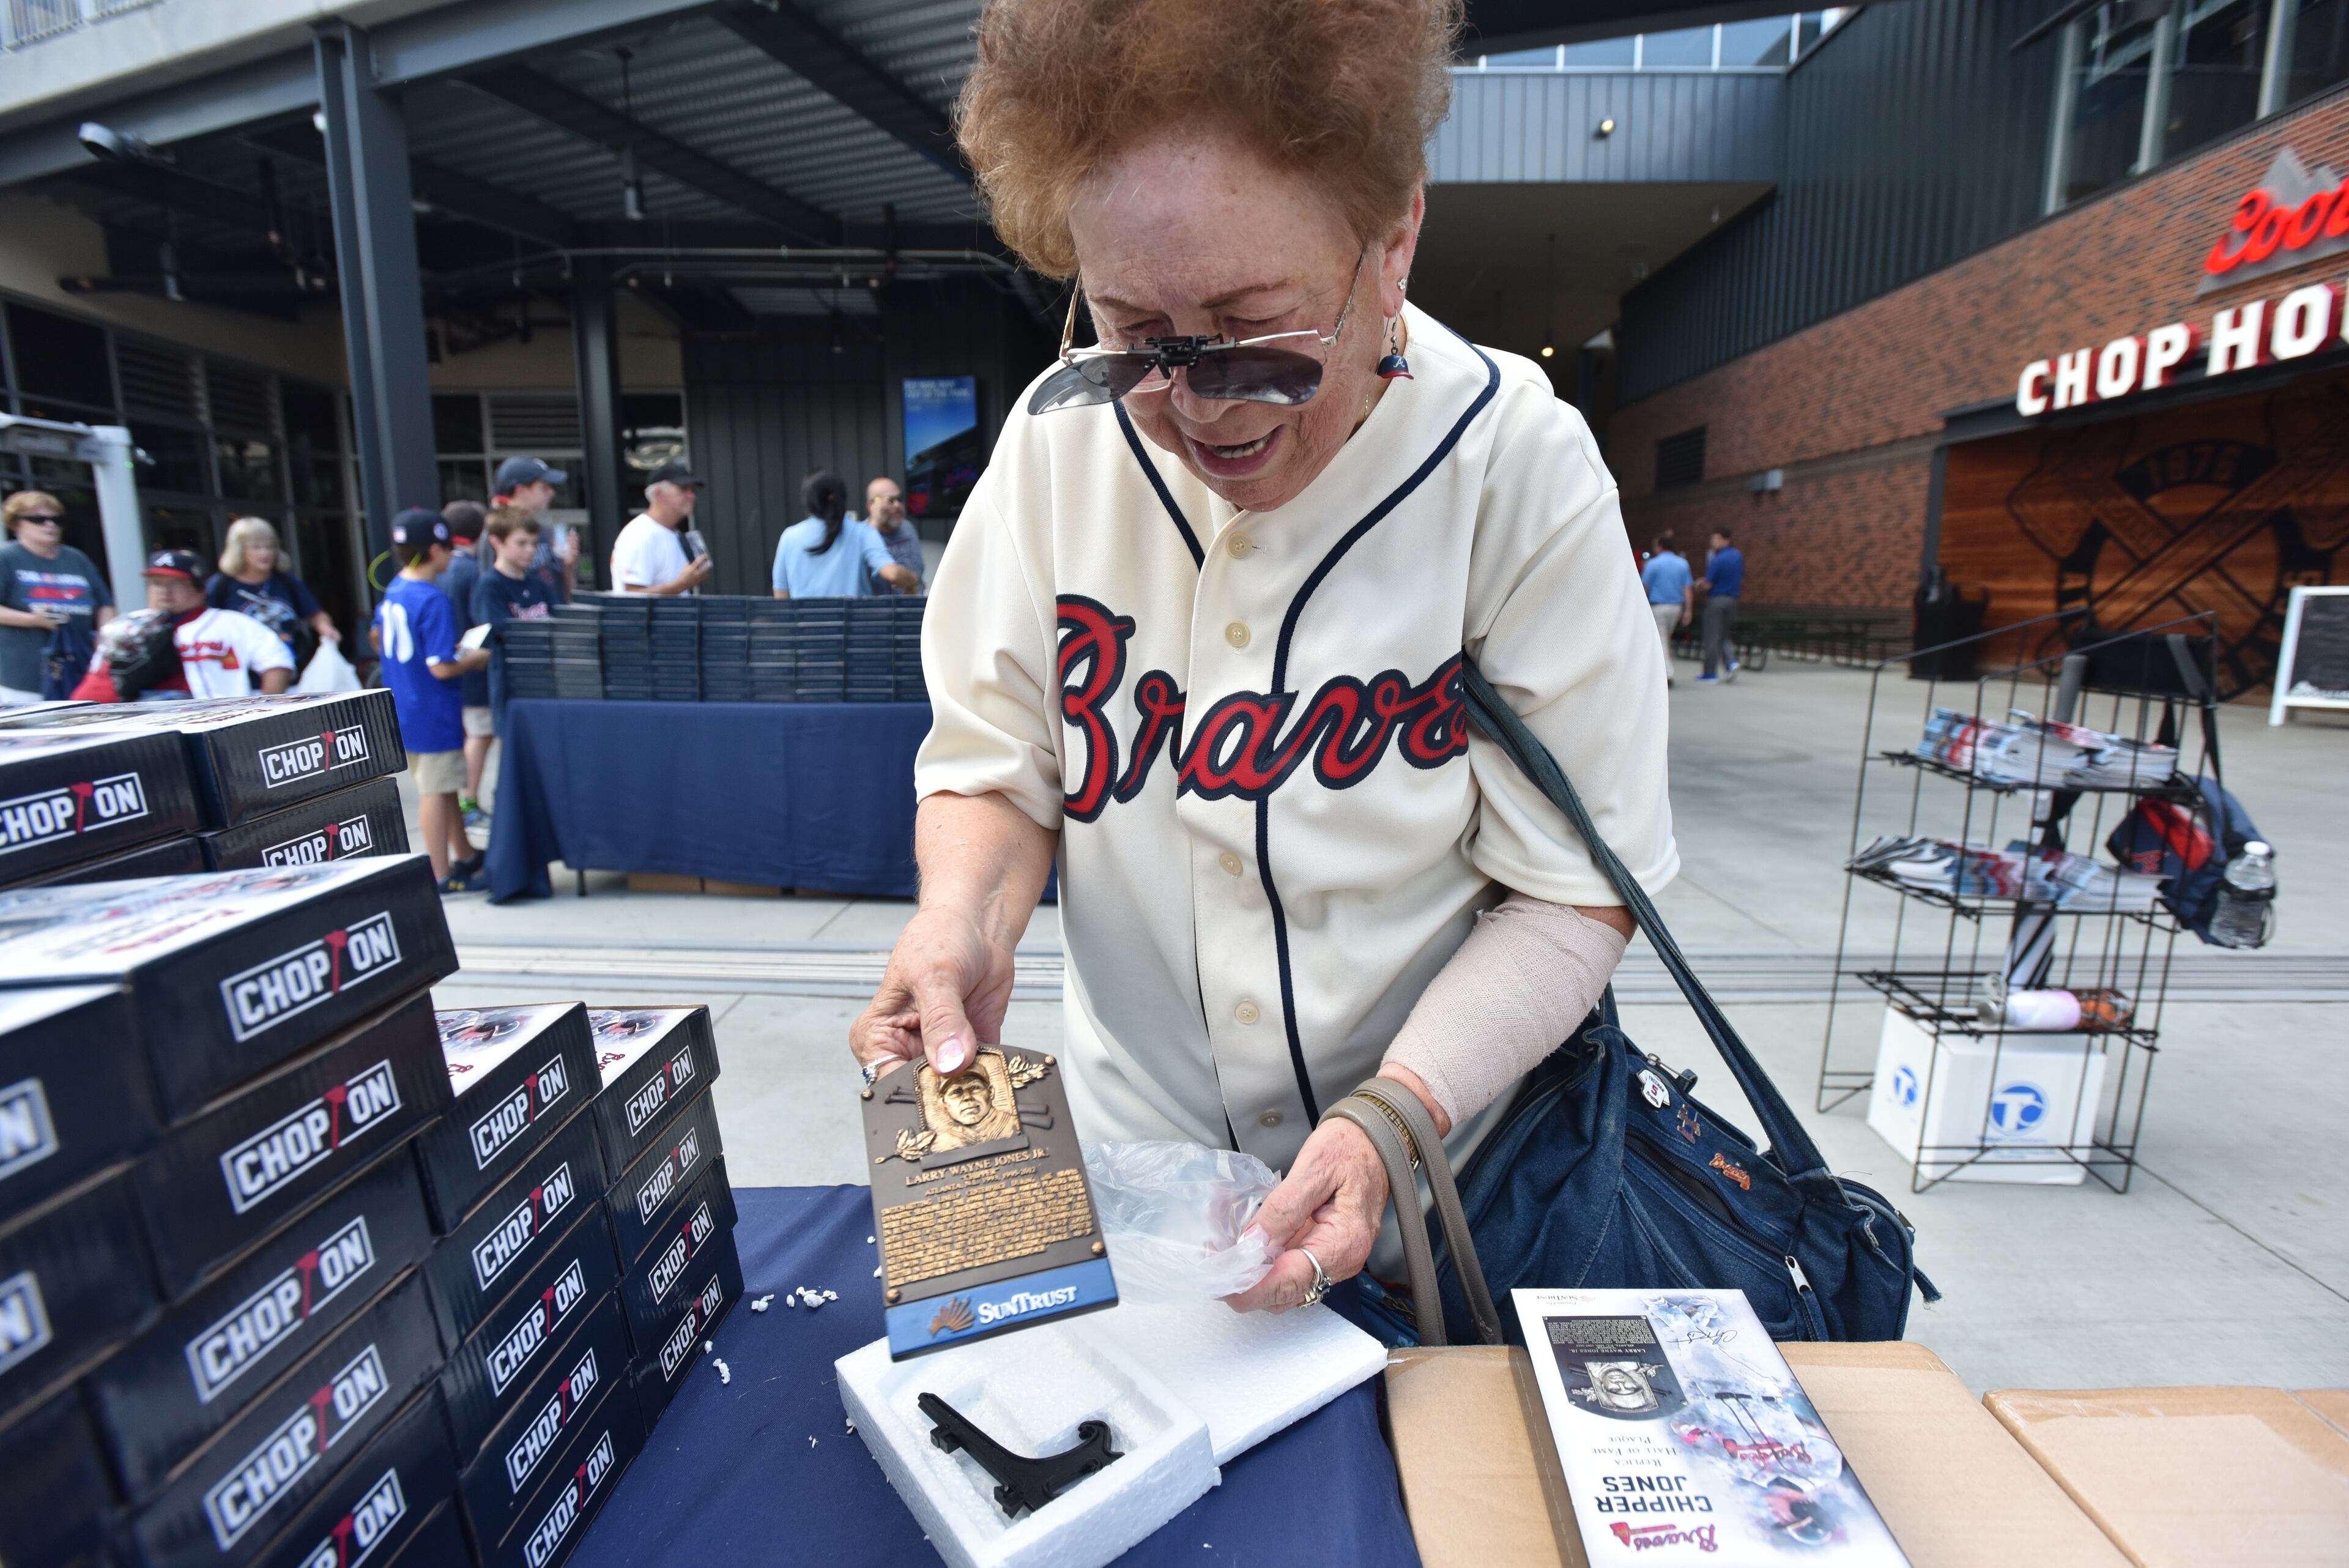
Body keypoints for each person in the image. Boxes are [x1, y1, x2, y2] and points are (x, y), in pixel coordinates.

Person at [849, 0, 1672, 1320]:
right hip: (1142, 1192)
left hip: (1441, 1191)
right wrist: (963, 921)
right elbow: (999, 769)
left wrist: (1399, 1111)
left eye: (1250, 329)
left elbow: (1573, 892)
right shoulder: (1059, 444)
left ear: (1393, 235)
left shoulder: (1513, 458)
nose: (1200, 400)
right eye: (1137, 334)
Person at [373, 508, 491, 893]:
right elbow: (441, 668)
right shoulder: (432, 598)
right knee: (436, 793)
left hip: (406, 705)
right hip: (434, 707)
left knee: (445, 784)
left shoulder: (395, 589)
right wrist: (475, 658)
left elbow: (378, 638)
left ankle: (466, 853)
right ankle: (441, 875)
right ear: (437, 551)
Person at [75, 549, 292, 700]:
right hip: (151, 723)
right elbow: (97, 684)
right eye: (157, 584)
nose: (164, 591)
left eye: (176, 583)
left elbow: (277, 661)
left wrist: (264, 712)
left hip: (222, 719)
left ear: (200, 589)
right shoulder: (126, 627)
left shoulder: (231, 623)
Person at [0, 490, 113, 704]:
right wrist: (32, 620)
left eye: (56, 520)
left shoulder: (76, 558)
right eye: (38, 519)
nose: (49, 525)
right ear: (16, 524)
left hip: (80, 669)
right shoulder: (6, 557)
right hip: (23, 676)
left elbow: (104, 604)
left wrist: (105, 636)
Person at [206, 517, 339, 666]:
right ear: (239, 550)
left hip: (294, 667)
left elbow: (314, 613)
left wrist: (325, 628)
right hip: (246, 675)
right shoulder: (221, 585)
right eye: (256, 547)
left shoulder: (286, 581)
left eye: (270, 547)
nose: (265, 553)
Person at [472, 503, 557, 732]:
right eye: (521, 543)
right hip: (513, 688)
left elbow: (562, 624)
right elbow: (501, 631)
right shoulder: (490, 585)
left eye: (533, 543)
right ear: (496, 542)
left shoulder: (541, 585)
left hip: (548, 684)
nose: (529, 550)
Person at [771, 470, 919, 599]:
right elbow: (892, 574)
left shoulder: (789, 537)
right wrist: (912, 581)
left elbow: (781, 595)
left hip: (805, 629)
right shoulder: (863, 532)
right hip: (855, 629)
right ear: (843, 497)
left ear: (808, 501)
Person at [439, 501, 492, 831]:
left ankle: (465, 803)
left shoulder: (440, 568)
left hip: (449, 669)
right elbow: (480, 624)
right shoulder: (470, 571)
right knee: (480, 734)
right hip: (471, 668)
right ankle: (468, 803)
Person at [611, 461, 713, 596]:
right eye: (683, 489)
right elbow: (631, 597)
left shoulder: (671, 533)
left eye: (692, 490)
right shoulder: (639, 534)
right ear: (659, 493)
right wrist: (682, 584)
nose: (692, 496)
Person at [492, 457, 580, 601]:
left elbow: (566, 596)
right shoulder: (498, 533)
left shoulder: (545, 531)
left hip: (554, 619)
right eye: (544, 487)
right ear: (521, 490)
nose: (551, 493)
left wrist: (568, 567)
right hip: (524, 621)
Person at [1639, 530, 1693, 688]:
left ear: (1660, 547)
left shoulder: (1653, 564)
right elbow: (1687, 588)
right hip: (1677, 606)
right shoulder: (1683, 564)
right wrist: (1688, 610)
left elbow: (1644, 587)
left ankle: (1667, 673)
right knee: (1665, 638)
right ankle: (1664, 669)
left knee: (1661, 639)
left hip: (1659, 606)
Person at [1698, 527, 1745, 685]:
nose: (1713, 542)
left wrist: (1699, 585)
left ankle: (1710, 673)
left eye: (1716, 539)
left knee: (1712, 635)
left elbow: (1708, 584)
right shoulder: (1738, 556)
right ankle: (1731, 662)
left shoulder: (1718, 559)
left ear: (1726, 540)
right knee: (1723, 633)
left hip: (1717, 599)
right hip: (1733, 599)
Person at [863, 476, 926, 595]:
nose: (897, 505)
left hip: (911, 606)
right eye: (890, 501)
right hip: (881, 610)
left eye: (900, 499)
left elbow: (918, 569)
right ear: (871, 506)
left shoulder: (907, 528)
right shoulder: (862, 535)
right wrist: (875, 525)